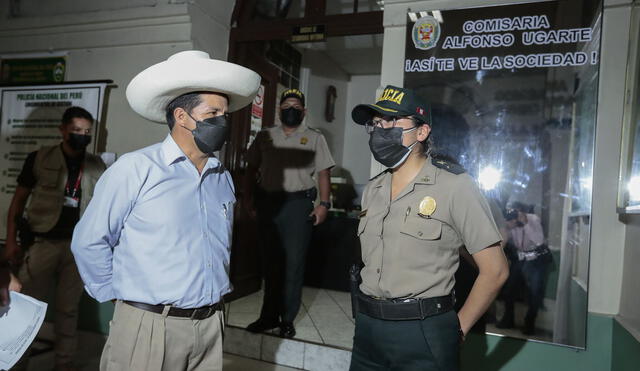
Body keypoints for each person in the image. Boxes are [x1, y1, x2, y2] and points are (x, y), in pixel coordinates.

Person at [71, 50, 260, 371]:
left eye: (226, 114)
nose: (223, 121)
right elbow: (89, 241)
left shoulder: (222, 177)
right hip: (150, 326)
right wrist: (120, 298)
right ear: (182, 117)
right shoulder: (136, 169)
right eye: (213, 112)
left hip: (211, 324)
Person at [348, 85, 509, 371]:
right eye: (375, 123)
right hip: (368, 328)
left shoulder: (454, 186)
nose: (380, 129)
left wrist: (458, 328)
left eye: (392, 121)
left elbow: (495, 270)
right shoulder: (373, 188)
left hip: (423, 330)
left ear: (422, 132)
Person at [3, 106, 105, 371]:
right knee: (25, 305)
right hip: (41, 244)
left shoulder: (96, 165)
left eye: (86, 132)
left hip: (77, 248)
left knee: (68, 310)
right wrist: (12, 242)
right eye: (76, 131)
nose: (82, 136)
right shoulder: (39, 158)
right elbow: (17, 203)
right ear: (62, 130)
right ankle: (15, 363)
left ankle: (64, 364)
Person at [244, 88, 335, 338]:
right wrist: (248, 200)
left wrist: (324, 204)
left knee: (294, 265)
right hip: (269, 205)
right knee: (271, 264)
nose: (291, 110)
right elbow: (251, 169)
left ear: (304, 111)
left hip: (298, 206)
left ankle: (287, 319)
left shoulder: (315, 138)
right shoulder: (264, 136)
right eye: (286, 106)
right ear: (279, 110)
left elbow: (324, 173)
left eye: (296, 106)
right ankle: (268, 317)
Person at [497, 203, 551, 335]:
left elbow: (539, 241)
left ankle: (529, 323)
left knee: (535, 291)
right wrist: (506, 227)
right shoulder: (509, 223)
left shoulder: (533, 219)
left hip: (537, 257)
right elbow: (503, 241)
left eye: (515, 215)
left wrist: (525, 223)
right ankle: (508, 319)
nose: (512, 220)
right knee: (509, 288)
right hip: (521, 257)